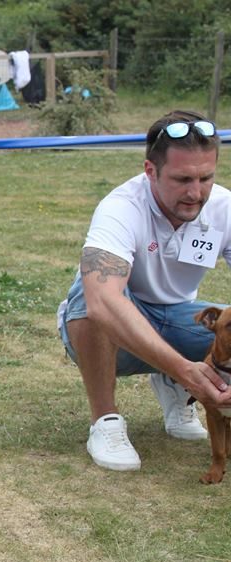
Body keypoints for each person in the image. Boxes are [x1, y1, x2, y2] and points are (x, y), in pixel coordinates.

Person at [57, 110, 231, 472]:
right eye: (182, 179)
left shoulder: (224, 208)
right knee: (90, 299)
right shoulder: (121, 208)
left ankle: (176, 393)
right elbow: (103, 302)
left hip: (178, 317)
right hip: (110, 330)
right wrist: (185, 368)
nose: (195, 193)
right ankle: (105, 421)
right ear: (150, 171)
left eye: (206, 178)